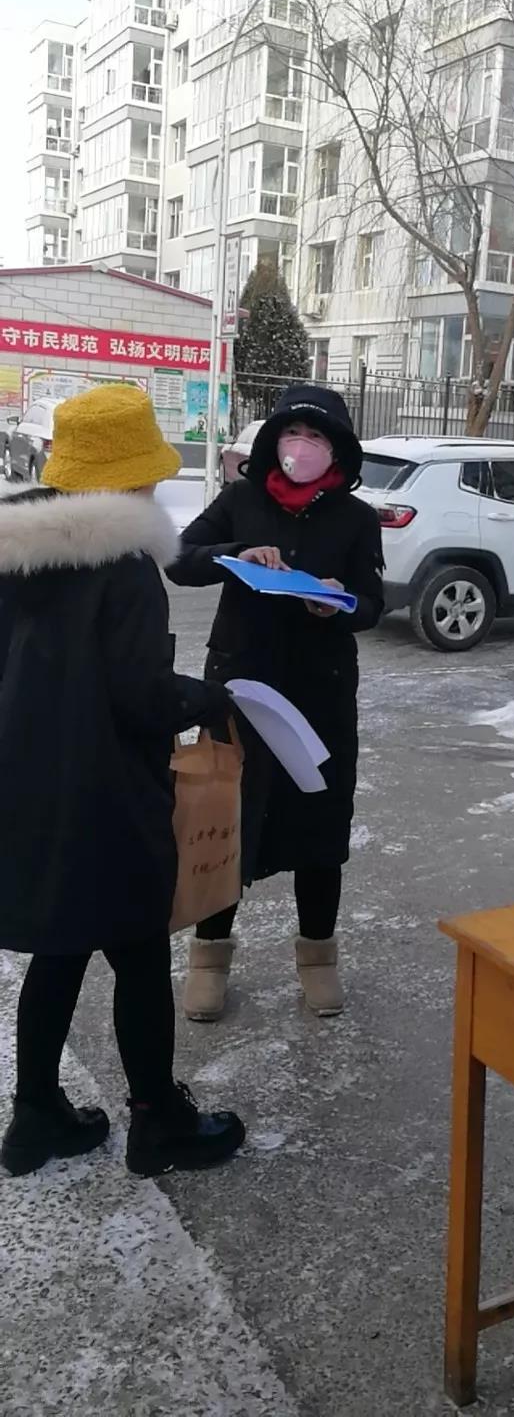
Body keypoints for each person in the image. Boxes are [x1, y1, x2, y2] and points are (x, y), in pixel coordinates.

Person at [0, 385, 245, 1178]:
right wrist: (206, 699)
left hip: (27, 787)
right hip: (108, 797)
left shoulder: (17, 555)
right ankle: (159, 1122)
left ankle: (35, 1115)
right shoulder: (124, 567)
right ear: (133, 475)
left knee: (61, 946)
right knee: (138, 955)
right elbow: (141, 699)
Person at [169, 384, 384, 1022]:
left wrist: (338, 601)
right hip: (241, 686)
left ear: (338, 451)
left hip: (321, 692)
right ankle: (210, 958)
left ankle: (318, 957)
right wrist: (234, 554)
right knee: (227, 818)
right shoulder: (241, 500)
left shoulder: (356, 517)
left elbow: (373, 604)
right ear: (273, 441)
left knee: (321, 823)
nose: (303, 446)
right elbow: (180, 561)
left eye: (317, 437)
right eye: (293, 433)